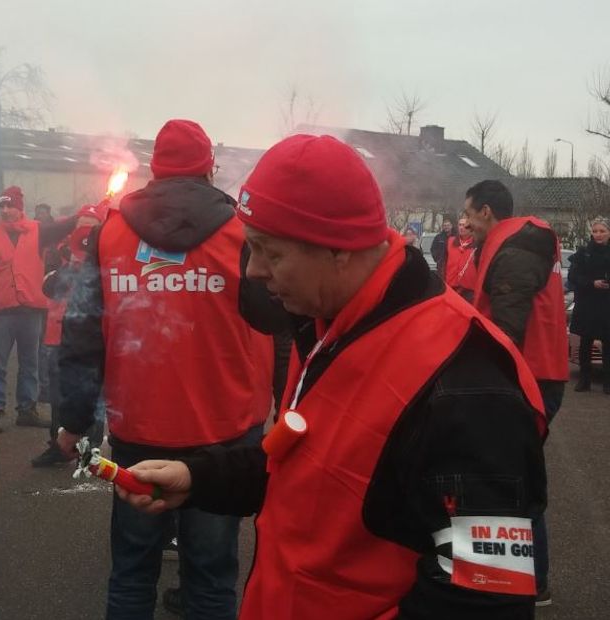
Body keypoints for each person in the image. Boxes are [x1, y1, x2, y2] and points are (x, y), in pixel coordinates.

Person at [116, 135, 548, 619]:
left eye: (269, 253)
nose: (253, 271)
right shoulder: (326, 325)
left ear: (339, 251)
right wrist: (199, 477)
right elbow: (304, 465)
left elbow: (488, 598)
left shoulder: (468, 384)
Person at [56, 119, 275, 620]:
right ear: (208, 167)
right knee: (211, 574)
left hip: (140, 427)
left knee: (133, 570)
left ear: (154, 168)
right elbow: (278, 320)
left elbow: (83, 331)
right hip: (225, 430)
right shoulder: (242, 231)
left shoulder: (112, 230)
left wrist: (72, 419)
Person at [464, 179, 567, 606]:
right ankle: (516, 579)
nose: (466, 224)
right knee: (509, 474)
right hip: (537, 373)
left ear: (487, 211)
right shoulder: (520, 241)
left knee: (509, 477)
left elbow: (506, 329)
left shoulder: (516, 249)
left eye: (469, 215)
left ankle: (520, 583)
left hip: (529, 376)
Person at [0, 186, 78, 432]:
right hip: (3, 309)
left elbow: (66, 225)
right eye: (2, 206)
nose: (6, 210)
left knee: (30, 363)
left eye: (10, 206)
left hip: (30, 309)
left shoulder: (38, 231)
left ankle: (26, 409)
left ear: (20, 208)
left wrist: (88, 213)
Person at [30, 206, 105, 467]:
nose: (84, 230)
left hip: (91, 337)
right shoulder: (60, 251)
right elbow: (48, 286)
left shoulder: (106, 253)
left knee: (92, 395)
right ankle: (58, 445)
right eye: (81, 223)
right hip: (57, 333)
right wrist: (71, 266)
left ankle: (90, 452)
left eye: (91, 224)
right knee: (57, 396)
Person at [568, 218, 610, 393]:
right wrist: (591, 283)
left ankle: (608, 383)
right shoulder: (583, 252)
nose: (598, 235)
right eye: (595, 231)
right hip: (587, 303)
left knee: (608, 343)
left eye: (602, 231)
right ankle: (584, 380)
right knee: (586, 342)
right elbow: (573, 276)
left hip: (607, 305)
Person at [444, 217, 478, 301]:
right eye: (460, 225)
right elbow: (443, 262)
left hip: (469, 289)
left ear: (471, 228)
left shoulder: (477, 244)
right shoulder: (450, 241)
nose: (461, 228)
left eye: (464, 225)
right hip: (451, 285)